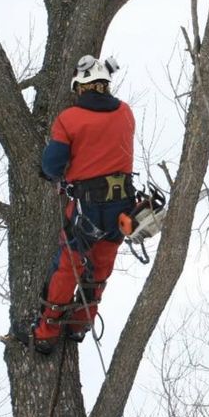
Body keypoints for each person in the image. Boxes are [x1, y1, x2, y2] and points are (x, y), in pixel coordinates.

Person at [30, 55, 135, 353]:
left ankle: (46, 332)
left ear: (81, 86)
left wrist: (57, 171)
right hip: (121, 205)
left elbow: (52, 166)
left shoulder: (69, 119)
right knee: (101, 265)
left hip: (87, 208)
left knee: (68, 266)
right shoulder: (126, 113)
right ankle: (80, 322)